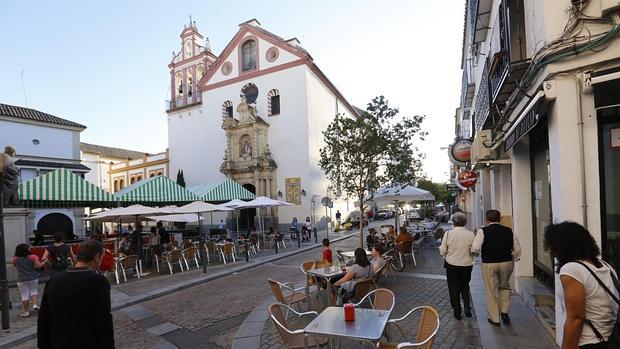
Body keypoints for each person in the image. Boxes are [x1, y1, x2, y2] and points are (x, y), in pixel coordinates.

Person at [544, 222, 619, 349]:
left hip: (589, 341)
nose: (551, 251)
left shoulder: (572, 269)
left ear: (561, 246)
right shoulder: (605, 266)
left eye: (552, 246)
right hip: (611, 338)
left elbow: (576, 318)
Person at [37, 240, 114, 349]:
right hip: (87, 343)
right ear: (97, 257)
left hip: (58, 342)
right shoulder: (98, 282)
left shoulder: (53, 281)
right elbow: (103, 321)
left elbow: (44, 320)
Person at [471, 209, 521, 325]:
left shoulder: (482, 231)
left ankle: (494, 318)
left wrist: (475, 254)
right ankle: (504, 312)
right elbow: (517, 248)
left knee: (491, 290)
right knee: (505, 286)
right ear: (500, 218)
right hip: (506, 262)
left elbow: (475, 248)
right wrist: (514, 257)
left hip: (489, 263)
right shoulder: (509, 230)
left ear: (487, 219)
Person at [440, 212, 475, 320]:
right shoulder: (470, 234)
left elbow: (443, 250)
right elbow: (474, 250)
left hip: (452, 264)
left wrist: (443, 253)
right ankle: (467, 307)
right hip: (467, 264)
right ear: (465, 222)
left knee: (453, 288)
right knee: (465, 285)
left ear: (454, 222)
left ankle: (457, 311)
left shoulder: (448, 234)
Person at [13, 244, 45, 317]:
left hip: (21, 279)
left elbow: (15, 266)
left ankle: (26, 311)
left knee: (24, 295)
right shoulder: (33, 257)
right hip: (33, 277)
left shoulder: (15, 259)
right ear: (27, 250)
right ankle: (34, 305)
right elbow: (38, 266)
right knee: (34, 291)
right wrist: (44, 262)